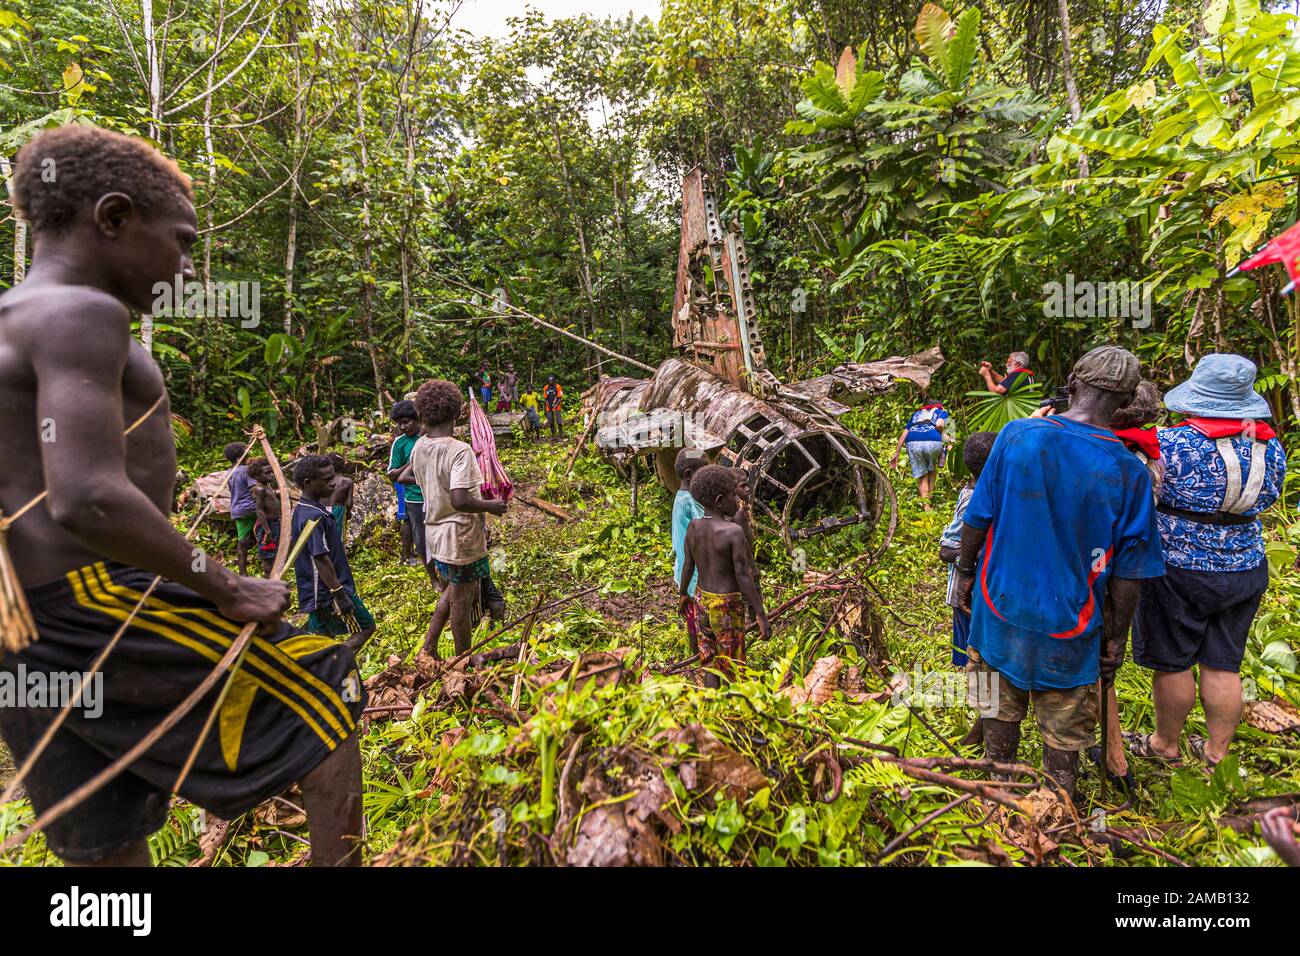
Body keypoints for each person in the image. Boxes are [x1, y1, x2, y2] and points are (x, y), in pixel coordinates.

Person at [0, 124, 362, 866]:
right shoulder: (81, 313)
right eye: (182, 241)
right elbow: (89, 497)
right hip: (95, 602)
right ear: (114, 218)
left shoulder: (16, 318)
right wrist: (225, 585)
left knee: (103, 843)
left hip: (21, 626)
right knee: (330, 697)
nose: (189, 270)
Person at [953, 346, 1166, 799]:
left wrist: (966, 574)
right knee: (1063, 741)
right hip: (1073, 625)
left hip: (999, 608)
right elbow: (1130, 573)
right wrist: (1116, 637)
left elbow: (978, 517)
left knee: (998, 718)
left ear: (1072, 383)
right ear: (1126, 401)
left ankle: (1000, 794)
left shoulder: (1016, 435)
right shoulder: (1130, 472)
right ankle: (1056, 808)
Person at [1128, 354, 1286, 770]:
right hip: (1246, 565)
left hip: (1179, 568)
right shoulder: (1271, 446)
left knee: (1173, 660)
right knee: (1223, 662)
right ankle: (1217, 754)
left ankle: (1165, 744)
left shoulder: (1170, 443)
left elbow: (1144, 495)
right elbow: (1269, 497)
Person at [410, 380, 508, 659]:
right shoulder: (458, 450)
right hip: (460, 539)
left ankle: (428, 648)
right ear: (457, 412)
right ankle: (463, 662)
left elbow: (416, 479)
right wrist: (491, 506)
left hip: (436, 535)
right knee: (462, 604)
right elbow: (460, 500)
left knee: (453, 588)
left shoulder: (419, 446)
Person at [679, 465, 770, 688]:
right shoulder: (733, 532)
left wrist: (683, 594)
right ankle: (731, 713)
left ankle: (710, 707)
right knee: (733, 663)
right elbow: (743, 576)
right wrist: (760, 614)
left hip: (701, 601)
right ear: (720, 501)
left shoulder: (693, 527)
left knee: (709, 661)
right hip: (726, 606)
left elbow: (688, 565)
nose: (737, 501)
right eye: (733, 495)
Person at [291, 455, 376, 652]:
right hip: (327, 592)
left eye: (333, 477)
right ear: (307, 483)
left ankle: (323, 674)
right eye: (327, 480)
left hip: (314, 592)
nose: (334, 483)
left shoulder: (305, 509)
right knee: (365, 627)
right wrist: (339, 594)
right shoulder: (313, 516)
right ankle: (338, 668)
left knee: (323, 640)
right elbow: (320, 558)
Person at [671, 449, 709, 655]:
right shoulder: (690, 503)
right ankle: (700, 657)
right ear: (689, 475)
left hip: (685, 571)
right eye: (704, 472)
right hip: (693, 574)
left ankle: (697, 656)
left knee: (693, 620)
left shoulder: (682, 498)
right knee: (699, 621)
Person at [889, 400, 949, 510]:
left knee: (922, 476)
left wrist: (896, 453)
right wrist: (941, 432)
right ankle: (929, 499)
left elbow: (904, 434)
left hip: (913, 442)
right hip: (932, 442)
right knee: (932, 468)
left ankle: (926, 506)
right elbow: (939, 424)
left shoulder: (916, 414)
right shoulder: (941, 412)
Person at [388, 400, 425, 567]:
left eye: (406, 422)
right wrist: (411, 462)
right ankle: (406, 555)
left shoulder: (427, 437)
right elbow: (392, 474)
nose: (402, 427)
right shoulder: (400, 442)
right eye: (399, 423)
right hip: (406, 488)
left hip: (428, 489)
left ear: (418, 420)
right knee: (407, 520)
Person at [225, 441, 257, 574]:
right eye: (246, 452)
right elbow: (254, 489)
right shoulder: (246, 470)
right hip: (252, 508)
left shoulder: (229, 472)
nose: (249, 454)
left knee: (242, 542)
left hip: (237, 509)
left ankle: (242, 573)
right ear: (239, 458)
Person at [248, 457, 281, 577]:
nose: (271, 475)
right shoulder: (259, 489)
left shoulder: (268, 487)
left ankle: (274, 579)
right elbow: (260, 511)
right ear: (257, 476)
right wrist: (267, 531)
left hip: (274, 524)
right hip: (267, 525)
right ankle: (269, 580)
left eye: (271, 472)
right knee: (268, 556)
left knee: (274, 553)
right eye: (267, 473)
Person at [326, 453, 354, 549]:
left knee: (324, 536)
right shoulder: (347, 481)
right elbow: (349, 503)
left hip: (322, 510)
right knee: (337, 539)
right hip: (338, 511)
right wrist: (348, 513)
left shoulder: (324, 480)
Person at [543, 374, 565, 440]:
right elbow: (545, 398)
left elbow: (560, 397)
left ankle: (561, 434)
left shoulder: (558, 387)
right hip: (548, 407)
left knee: (559, 421)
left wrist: (555, 405)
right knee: (551, 421)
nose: (550, 382)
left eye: (552, 380)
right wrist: (548, 405)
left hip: (557, 407)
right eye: (549, 381)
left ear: (554, 380)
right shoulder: (546, 387)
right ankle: (553, 435)